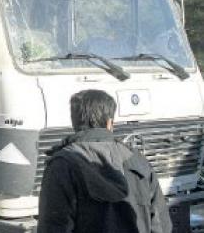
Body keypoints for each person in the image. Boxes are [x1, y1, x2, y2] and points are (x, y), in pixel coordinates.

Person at [37, 89, 172, 233]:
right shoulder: (137, 161)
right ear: (110, 123)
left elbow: (53, 227)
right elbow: (161, 226)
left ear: (74, 123)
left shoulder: (62, 165)